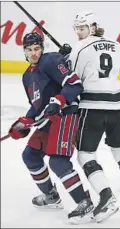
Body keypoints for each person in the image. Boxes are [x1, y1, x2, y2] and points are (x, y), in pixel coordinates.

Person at [64, 11, 120, 222]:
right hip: (117, 108)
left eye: (82, 28)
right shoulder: (116, 45)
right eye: (77, 29)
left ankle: (106, 195)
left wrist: (64, 58)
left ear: (92, 27)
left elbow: (71, 80)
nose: (79, 33)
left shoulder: (79, 48)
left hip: (91, 108)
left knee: (85, 155)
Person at [8, 32, 94, 224]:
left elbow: (74, 85)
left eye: (37, 48)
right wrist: (25, 121)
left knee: (58, 162)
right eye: (29, 50)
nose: (33, 53)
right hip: (49, 118)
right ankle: (51, 196)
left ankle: (85, 202)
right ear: (24, 51)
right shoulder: (26, 76)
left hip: (65, 114)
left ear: (42, 48)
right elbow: (38, 105)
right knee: (30, 155)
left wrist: (59, 101)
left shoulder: (50, 60)